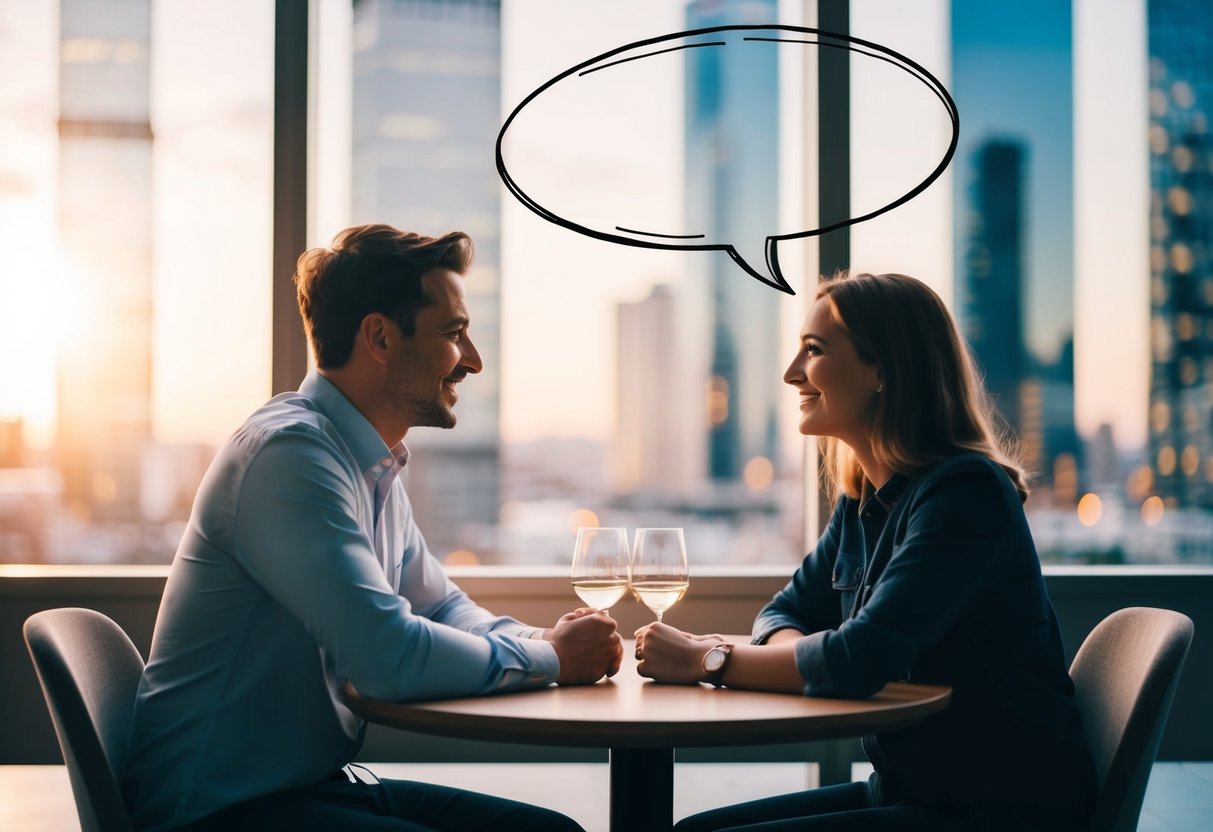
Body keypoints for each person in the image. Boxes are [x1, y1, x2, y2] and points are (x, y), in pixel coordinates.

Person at [123, 224, 622, 832]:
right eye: (453, 334)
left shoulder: (366, 458)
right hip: (219, 813)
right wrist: (549, 659)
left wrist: (542, 636)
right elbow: (389, 658)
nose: (473, 361)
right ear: (381, 337)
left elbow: (440, 607)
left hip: (310, 791)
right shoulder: (292, 457)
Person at [634, 271, 1097, 831]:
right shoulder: (862, 502)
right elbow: (784, 612)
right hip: (912, 790)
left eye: (815, 350)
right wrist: (805, 655)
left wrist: (710, 661)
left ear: (883, 367)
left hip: (998, 810)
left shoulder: (964, 494)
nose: (791, 374)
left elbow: (858, 659)